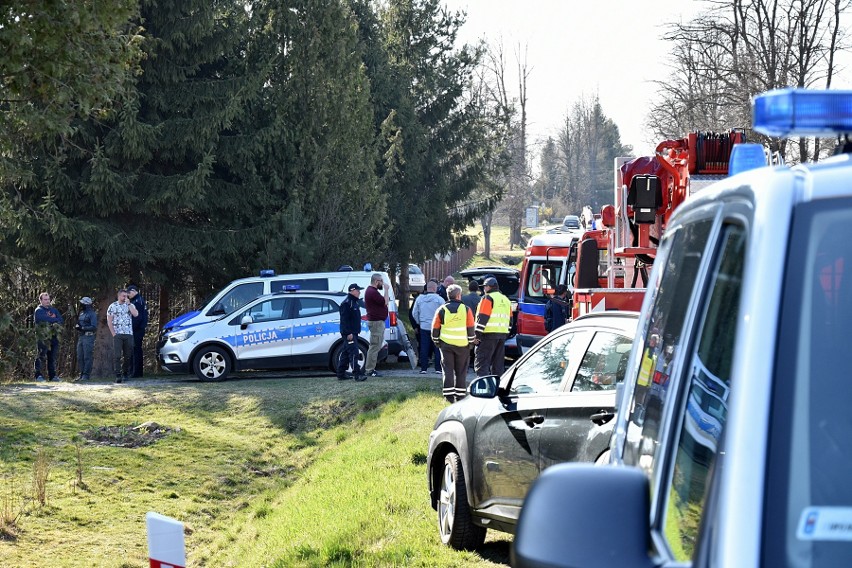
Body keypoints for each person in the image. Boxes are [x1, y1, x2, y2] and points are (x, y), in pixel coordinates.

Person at [432, 284, 475, 402]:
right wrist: (471, 343)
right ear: (458, 295)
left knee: (448, 370)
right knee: (461, 371)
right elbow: (470, 328)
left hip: (446, 345)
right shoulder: (466, 310)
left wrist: (437, 342)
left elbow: (435, 328)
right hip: (463, 345)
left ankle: (449, 396)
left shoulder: (442, 310)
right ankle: (460, 396)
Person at [473, 276, 512, 377]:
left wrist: (477, 335)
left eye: (485, 286)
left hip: (487, 336)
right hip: (501, 336)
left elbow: (482, 318)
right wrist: (505, 335)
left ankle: (483, 388)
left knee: (482, 364)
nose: (484, 289)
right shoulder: (506, 300)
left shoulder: (488, 298)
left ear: (489, 287)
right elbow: (510, 321)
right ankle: (496, 387)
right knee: (498, 365)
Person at [412, 280, 445, 374]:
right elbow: (444, 313)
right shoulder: (440, 299)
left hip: (424, 326)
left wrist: (419, 322)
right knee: (437, 347)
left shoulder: (419, 299)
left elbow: (414, 313)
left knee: (424, 347)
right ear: (435, 288)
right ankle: (438, 368)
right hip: (436, 327)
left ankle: (423, 368)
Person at [107, 289, 138, 383]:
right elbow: (109, 321)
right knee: (117, 355)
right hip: (118, 334)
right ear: (119, 296)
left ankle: (125, 373)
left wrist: (129, 304)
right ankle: (118, 375)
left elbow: (136, 314)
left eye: (126, 296)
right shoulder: (113, 306)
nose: (125, 298)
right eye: (123, 296)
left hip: (128, 333)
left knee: (128, 355)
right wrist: (113, 333)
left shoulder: (130, 305)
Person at [337, 283, 366, 381]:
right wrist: (348, 333)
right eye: (358, 290)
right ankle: (357, 374)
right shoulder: (347, 303)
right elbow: (344, 320)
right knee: (354, 353)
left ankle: (341, 374)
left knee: (345, 353)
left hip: (354, 332)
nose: (359, 292)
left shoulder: (354, 302)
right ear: (352, 291)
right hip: (349, 333)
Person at [33, 292, 64, 382]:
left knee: (52, 357)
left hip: (54, 336)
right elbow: (43, 320)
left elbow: (61, 320)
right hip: (43, 337)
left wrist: (53, 320)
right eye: (45, 299)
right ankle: (38, 375)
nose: (47, 301)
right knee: (41, 356)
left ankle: (52, 376)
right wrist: (54, 319)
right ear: (41, 300)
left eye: (48, 299)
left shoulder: (53, 310)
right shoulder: (38, 310)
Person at [363, 273, 388, 378]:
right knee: (374, 346)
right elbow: (385, 302)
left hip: (378, 322)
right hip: (376, 323)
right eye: (381, 281)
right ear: (376, 281)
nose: (382, 283)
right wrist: (386, 290)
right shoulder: (372, 292)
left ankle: (371, 369)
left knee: (376, 345)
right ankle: (369, 370)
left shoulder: (373, 292)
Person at [127, 285, 149, 378]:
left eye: (129, 293)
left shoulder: (138, 301)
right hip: (136, 329)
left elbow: (137, 317)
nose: (128, 295)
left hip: (137, 330)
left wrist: (132, 328)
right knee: (134, 350)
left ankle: (136, 372)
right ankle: (133, 371)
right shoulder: (137, 300)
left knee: (136, 350)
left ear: (133, 291)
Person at [75, 297, 97, 381]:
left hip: (88, 337)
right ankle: (81, 374)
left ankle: (86, 375)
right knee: (80, 356)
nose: (81, 305)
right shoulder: (81, 313)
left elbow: (94, 327)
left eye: (83, 303)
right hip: (81, 337)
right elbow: (79, 323)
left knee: (87, 356)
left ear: (87, 304)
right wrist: (78, 326)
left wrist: (83, 328)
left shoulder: (92, 314)